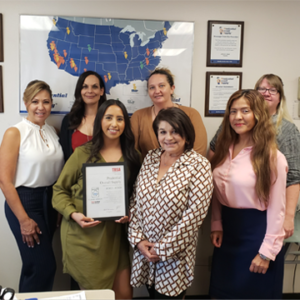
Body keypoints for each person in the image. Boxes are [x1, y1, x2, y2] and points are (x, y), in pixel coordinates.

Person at [52, 100, 141, 300]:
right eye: (108, 118)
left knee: (125, 294)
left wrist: (131, 213)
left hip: (115, 238)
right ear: (100, 121)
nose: (114, 124)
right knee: (98, 297)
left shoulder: (133, 157)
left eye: (120, 119)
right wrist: (74, 214)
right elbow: (59, 190)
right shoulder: (82, 153)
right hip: (84, 237)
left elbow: (139, 196)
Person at [209, 90, 288, 300]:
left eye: (245, 111)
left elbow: (278, 209)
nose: (237, 117)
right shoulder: (224, 149)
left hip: (258, 236)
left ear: (258, 115)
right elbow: (215, 191)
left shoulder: (273, 158)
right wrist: (216, 223)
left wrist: (266, 253)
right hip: (228, 234)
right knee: (221, 294)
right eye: (233, 111)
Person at [129, 107, 213, 299]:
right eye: (163, 132)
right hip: (145, 252)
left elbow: (195, 215)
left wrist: (162, 249)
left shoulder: (198, 165)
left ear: (187, 134)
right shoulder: (150, 158)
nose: (169, 137)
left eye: (175, 131)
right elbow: (135, 201)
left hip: (174, 257)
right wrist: (138, 240)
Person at [208, 74, 300, 239]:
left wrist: (288, 217)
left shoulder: (286, 131)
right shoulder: (232, 126)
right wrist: (216, 220)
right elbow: (215, 153)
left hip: (263, 219)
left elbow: (293, 177)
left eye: (273, 90)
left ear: (280, 97)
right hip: (229, 220)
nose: (266, 93)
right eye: (262, 89)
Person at [0, 80, 64, 292]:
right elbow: (4, 180)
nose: (41, 106)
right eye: (35, 101)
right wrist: (24, 220)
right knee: (42, 266)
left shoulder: (52, 131)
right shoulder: (14, 132)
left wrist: (57, 207)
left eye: (46, 101)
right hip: (24, 202)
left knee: (34, 265)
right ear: (26, 102)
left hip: (49, 201)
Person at [130, 67, 207, 159]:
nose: (157, 91)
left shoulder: (191, 114)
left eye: (161, 85)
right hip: (149, 171)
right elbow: (132, 152)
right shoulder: (138, 116)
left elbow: (199, 151)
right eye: (152, 87)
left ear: (172, 88)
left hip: (186, 171)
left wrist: (173, 170)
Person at [60, 70, 107, 162]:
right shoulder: (68, 121)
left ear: (101, 91)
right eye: (85, 87)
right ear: (80, 91)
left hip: (105, 175)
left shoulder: (109, 120)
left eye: (94, 87)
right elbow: (65, 158)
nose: (90, 91)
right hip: (77, 176)